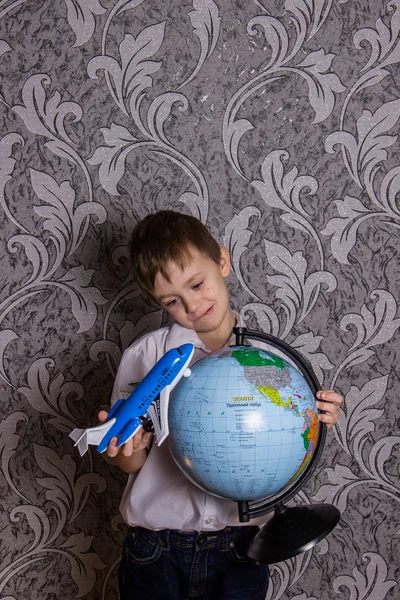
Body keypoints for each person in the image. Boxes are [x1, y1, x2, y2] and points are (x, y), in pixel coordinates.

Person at [98, 210, 344, 600]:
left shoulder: (270, 361)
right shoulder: (146, 357)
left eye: (197, 284)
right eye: (173, 300)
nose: (193, 305)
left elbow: (289, 435)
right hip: (156, 551)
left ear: (223, 262)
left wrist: (316, 416)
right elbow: (129, 463)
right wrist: (126, 450)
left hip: (241, 549)